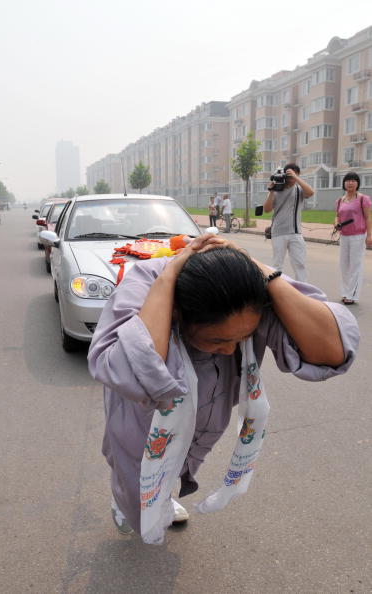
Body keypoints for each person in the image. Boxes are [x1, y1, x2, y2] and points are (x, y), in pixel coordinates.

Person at [88, 233, 359, 544]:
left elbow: (331, 350)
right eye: (217, 340)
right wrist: (167, 282)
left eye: (241, 338)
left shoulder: (247, 288)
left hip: (205, 415)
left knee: (177, 465)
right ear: (180, 314)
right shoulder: (147, 283)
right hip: (141, 421)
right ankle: (122, 500)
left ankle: (163, 495)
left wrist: (263, 273)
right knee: (134, 481)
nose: (232, 351)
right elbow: (131, 372)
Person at [263, 163, 314, 281]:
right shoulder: (276, 189)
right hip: (278, 232)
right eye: (289, 175)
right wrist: (271, 191)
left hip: (295, 233)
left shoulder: (299, 189)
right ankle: (277, 291)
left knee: (299, 264)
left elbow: (311, 193)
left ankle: (302, 291)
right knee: (277, 266)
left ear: (298, 175)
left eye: (294, 175)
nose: (291, 179)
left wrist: (296, 178)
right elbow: (267, 209)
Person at [334, 171, 372, 304]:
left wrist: (369, 235)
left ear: (357, 183)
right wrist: (336, 224)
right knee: (344, 265)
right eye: (348, 180)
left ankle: (352, 295)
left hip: (358, 236)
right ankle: (345, 292)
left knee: (355, 266)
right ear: (344, 183)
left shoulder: (363, 199)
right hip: (344, 236)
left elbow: (368, 218)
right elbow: (337, 216)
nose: (350, 182)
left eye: (353, 180)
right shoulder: (340, 200)